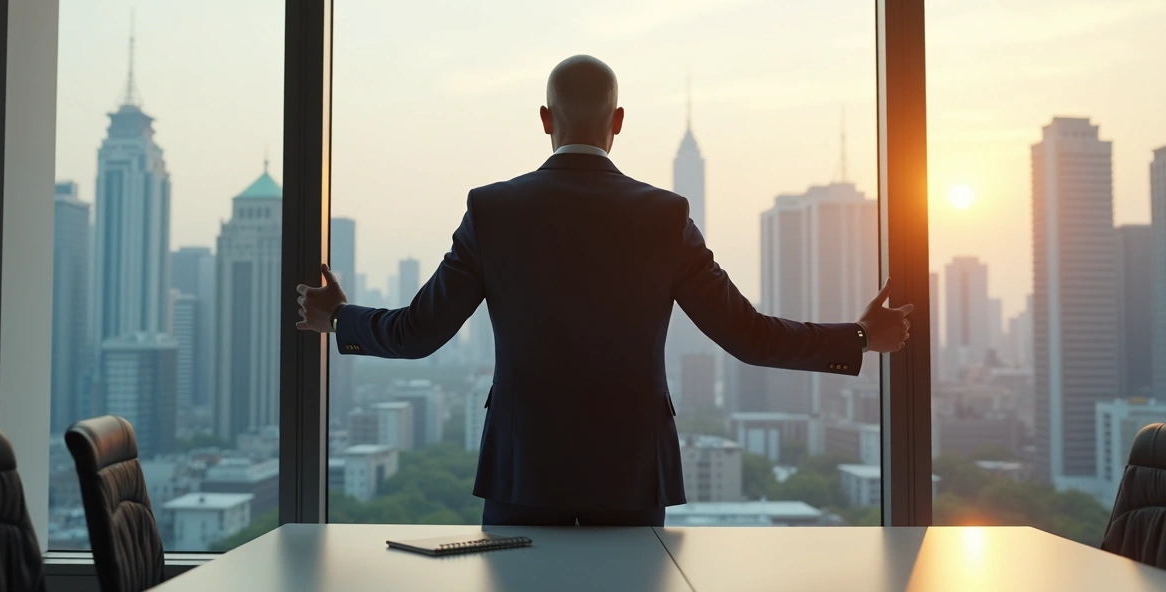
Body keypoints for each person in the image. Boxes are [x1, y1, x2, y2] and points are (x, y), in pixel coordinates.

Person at [296, 55, 912, 527]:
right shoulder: (665, 217)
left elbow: (418, 333)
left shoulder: (493, 211)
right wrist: (860, 337)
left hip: (522, 475)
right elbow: (747, 336)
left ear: (545, 121)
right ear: (618, 123)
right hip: (630, 478)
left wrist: (337, 318)